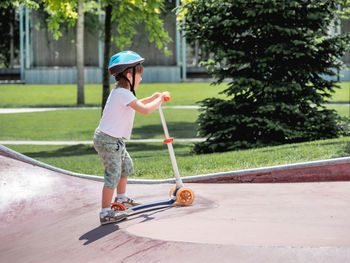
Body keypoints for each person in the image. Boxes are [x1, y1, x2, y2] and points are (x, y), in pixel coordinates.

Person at [94, 51, 170, 225]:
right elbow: (144, 110)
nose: (141, 79)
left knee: (125, 167)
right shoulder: (123, 93)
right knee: (112, 174)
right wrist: (158, 100)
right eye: (139, 75)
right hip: (107, 140)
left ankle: (120, 199)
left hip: (113, 139)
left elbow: (137, 104)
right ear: (129, 75)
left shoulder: (122, 92)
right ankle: (105, 212)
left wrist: (153, 97)